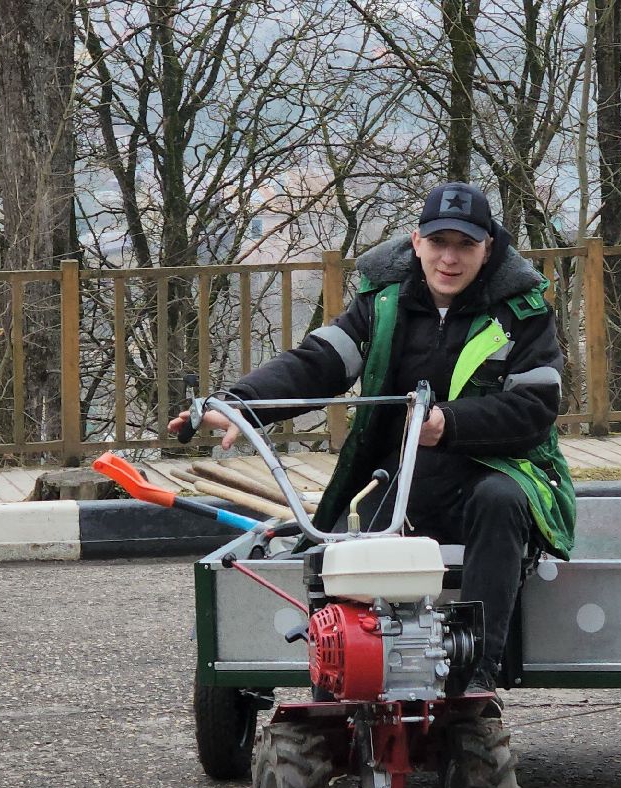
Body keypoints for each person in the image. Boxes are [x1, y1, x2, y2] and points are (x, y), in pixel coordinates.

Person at [171, 182, 576, 709]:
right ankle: (339, 685)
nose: (449, 258)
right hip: (398, 479)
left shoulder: (523, 313)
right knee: (343, 541)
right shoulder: (381, 303)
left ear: (489, 248)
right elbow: (318, 362)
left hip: (493, 471)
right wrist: (239, 402)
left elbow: (536, 408)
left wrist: (447, 425)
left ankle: (478, 677)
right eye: (438, 243)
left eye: (465, 246)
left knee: (499, 501)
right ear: (416, 241)